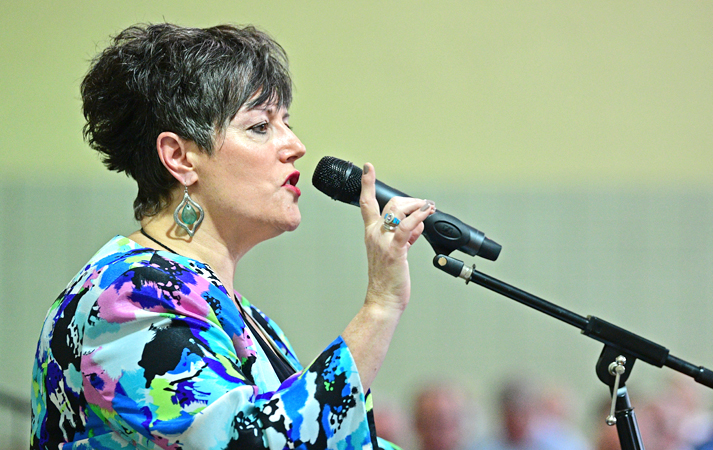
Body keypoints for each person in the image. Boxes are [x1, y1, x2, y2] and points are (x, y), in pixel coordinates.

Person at [30, 23, 436, 450]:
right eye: (260, 126)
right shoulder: (126, 298)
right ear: (179, 157)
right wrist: (380, 307)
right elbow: (248, 444)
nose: (296, 145)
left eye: (286, 123)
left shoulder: (238, 313)